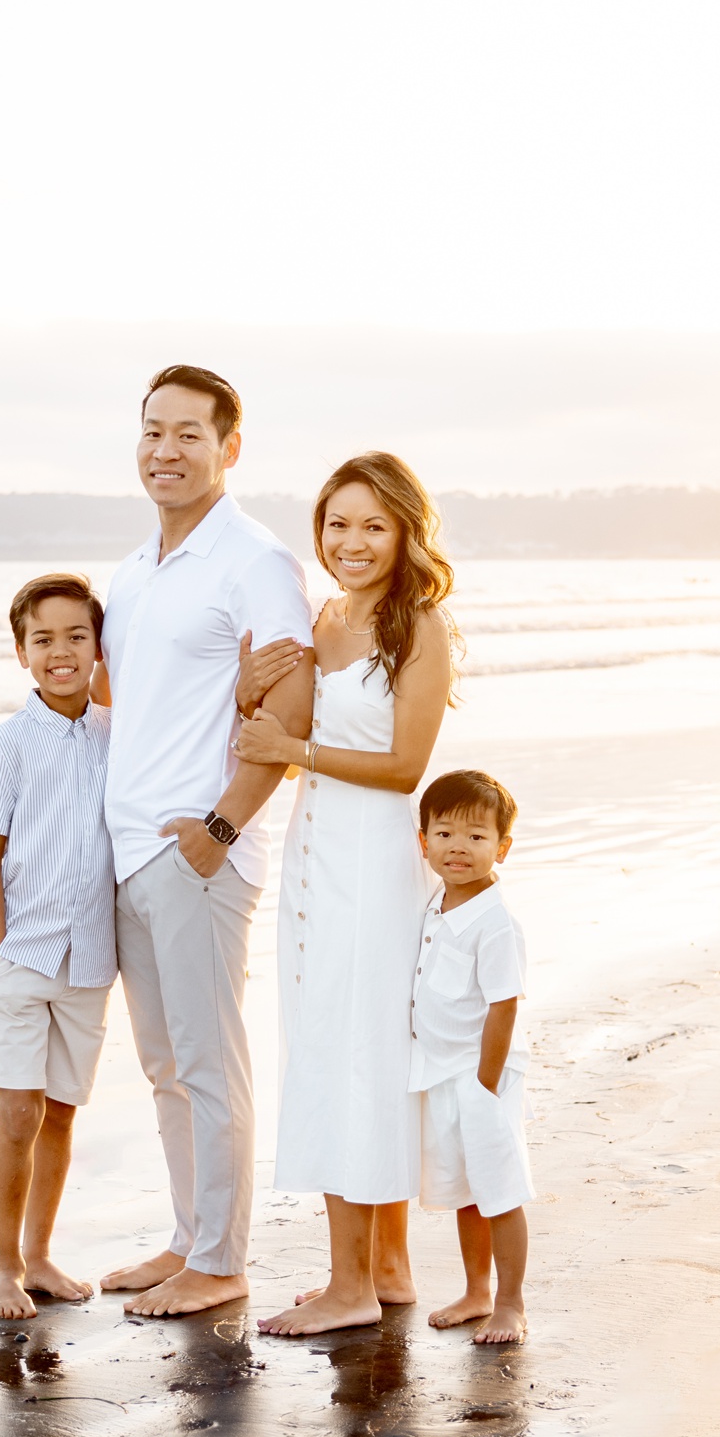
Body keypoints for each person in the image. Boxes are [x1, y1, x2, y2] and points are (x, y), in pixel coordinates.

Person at [0, 365, 315, 1318]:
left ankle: (225, 1259)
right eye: (152, 431)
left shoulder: (255, 561)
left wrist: (221, 827)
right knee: (165, 1066)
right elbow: (113, 692)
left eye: (189, 434)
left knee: (209, 1061)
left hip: (196, 851)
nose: (165, 450)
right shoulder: (135, 569)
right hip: (127, 853)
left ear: (229, 448)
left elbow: (290, 704)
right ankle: (188, 1238)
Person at [231, 453, 458, 1337]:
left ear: (405, 531)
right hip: (314, 857)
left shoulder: (420, 626)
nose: (351, 542)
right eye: (337, 523)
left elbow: (406, 767)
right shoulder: (320, 620)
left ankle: (348, 1284)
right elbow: (267, 724)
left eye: (373, 525)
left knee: (356, 1054)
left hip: (372, 866)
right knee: (340, 1044)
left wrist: (295, 753)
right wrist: (252, 692)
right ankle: (389, 1269)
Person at [0, 573, 115, 1319]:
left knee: (60, 1114)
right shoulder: (6, 745)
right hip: (21, 958)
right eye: (44, 639)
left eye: (77, 636)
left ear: (98, 646)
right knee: (16, 1112)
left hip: (89, 961)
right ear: (22, 651)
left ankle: (43, 1254)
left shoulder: (118, 735)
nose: (62, 652)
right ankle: (3, 1265)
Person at [408, 769, 534, 1344]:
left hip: (481, 1077)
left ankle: (510, 1303)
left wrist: (485, 1086)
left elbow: (503, 1007)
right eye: (445, 833)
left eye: (477, 837)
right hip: (441, 1074)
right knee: (467, 1192)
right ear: (424, 841)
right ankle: (476, 1290)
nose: (459, 847)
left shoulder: (494, 923)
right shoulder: (435, 904)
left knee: (499, 1192)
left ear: (502, 847)